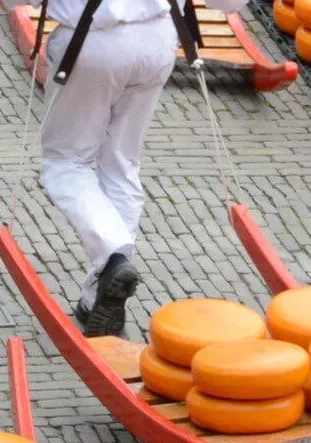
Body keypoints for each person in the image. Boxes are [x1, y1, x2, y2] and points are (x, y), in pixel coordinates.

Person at [35, 0, 247, 336]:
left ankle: (113, 254)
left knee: (65, 162)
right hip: (158, 40)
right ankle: (96, 293)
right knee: (121, 161)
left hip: (92, 42)